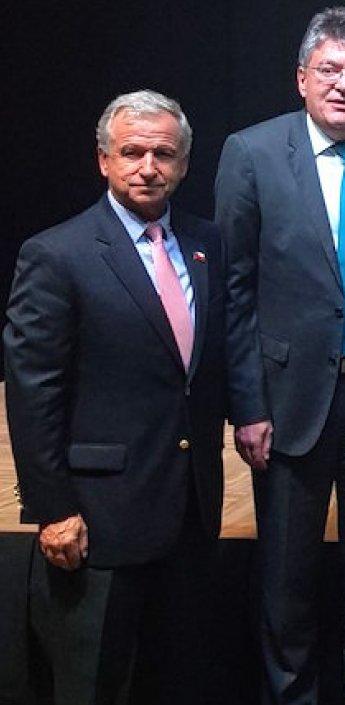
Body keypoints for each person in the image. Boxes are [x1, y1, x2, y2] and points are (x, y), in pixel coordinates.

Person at [213, 7, 345, 703]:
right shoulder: (250, 152)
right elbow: (235, 288)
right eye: (330, 70)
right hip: (286, 399)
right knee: (285, 571)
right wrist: (247, 404)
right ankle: (291, 692)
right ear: (302, 77)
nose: (344, 84)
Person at [5, 89, 226, 704]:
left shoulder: (208, 244)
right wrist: (51, 508)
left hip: (188, 510)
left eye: (164, 153)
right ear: (103, 160)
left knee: (175, 677)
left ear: (183, 163)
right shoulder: (57, 254)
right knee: (95, 683)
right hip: (97, 519)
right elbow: (33, 391)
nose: (148, 167)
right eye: (132, 152)